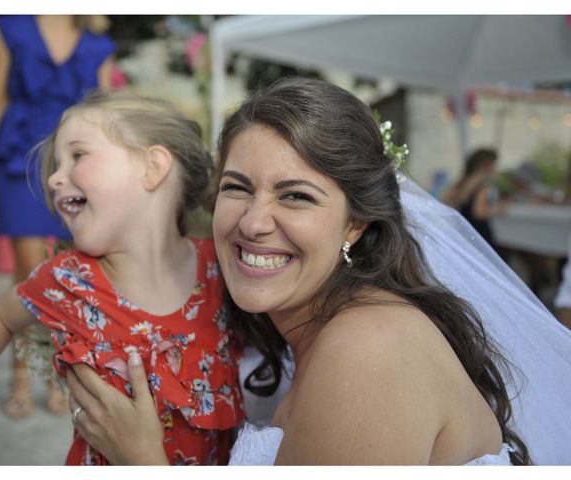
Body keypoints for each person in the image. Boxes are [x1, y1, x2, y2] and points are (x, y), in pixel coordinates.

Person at [62, 77, 571, 465]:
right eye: (237, 187)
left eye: (296, 196)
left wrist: (145, 462)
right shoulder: (319, 328)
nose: (253, 222)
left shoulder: (366, 351)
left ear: (354, 224)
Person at [0, 90, 245, 466]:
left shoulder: (220, 267)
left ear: (153, 167)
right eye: (55, 166)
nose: (54, 179)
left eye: (77, 155)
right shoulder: (69, 279)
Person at [0, 15, 116, 419]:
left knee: (71, 277)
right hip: (18, 158)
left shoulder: (97, 43)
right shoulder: (8, 27)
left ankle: (60, 375)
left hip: (77, 166)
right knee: (27, 276)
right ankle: (20, 374)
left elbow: (105, 115)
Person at [442, 148, 506, 250]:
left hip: (462, 230)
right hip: (479, 233)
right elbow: (479, 212)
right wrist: (497, 209)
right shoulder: (483, 186)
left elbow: (445, 202)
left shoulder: (461, 183)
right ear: (486, 166)